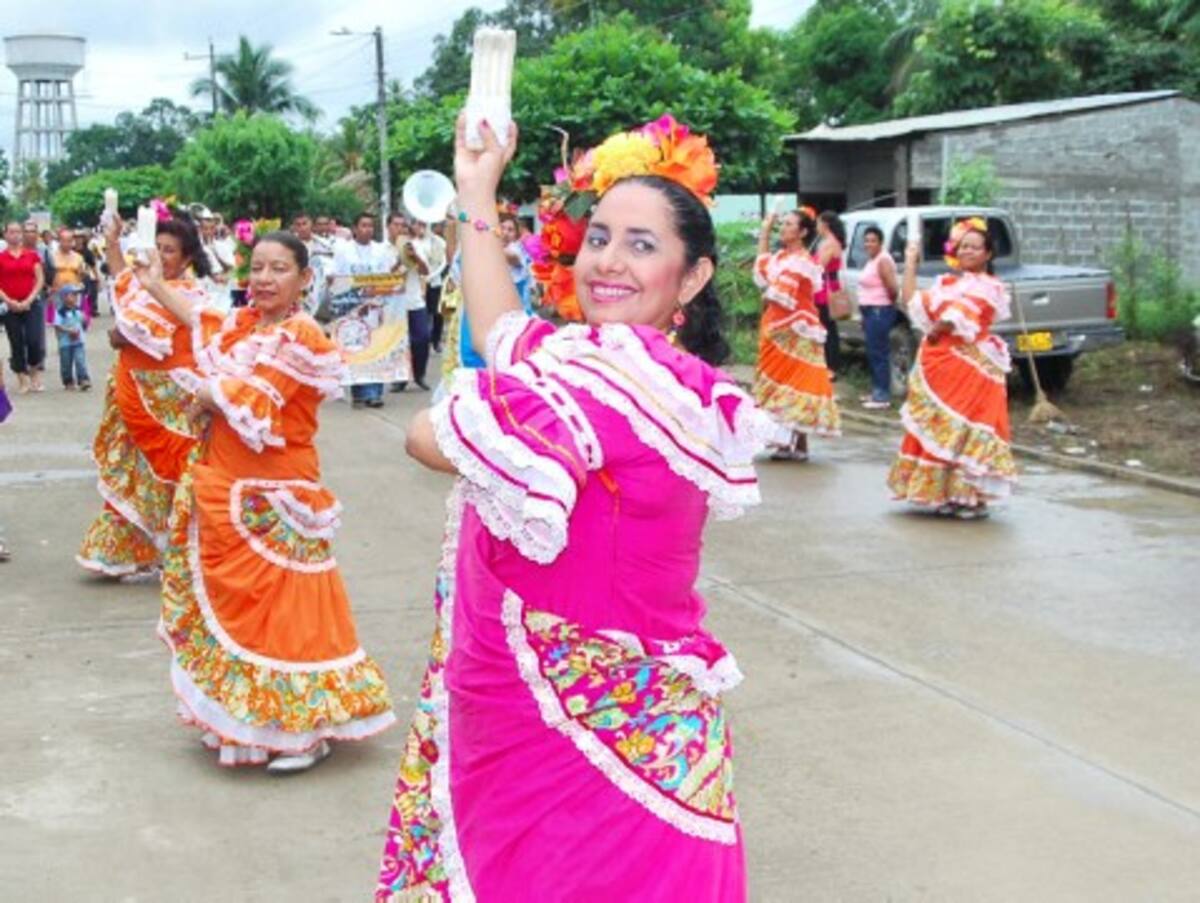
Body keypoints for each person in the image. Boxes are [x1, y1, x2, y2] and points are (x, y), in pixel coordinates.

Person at [376, 112, 769, 902]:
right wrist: (477, 189)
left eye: (642, 245)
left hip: (574, 729)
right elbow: (503, 329)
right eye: (599, 238)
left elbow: (433, 436)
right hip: (590, 716)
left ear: (692, 277)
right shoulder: (633, 367)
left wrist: (449, 420)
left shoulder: (610, 381)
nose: (609, 261)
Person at [142, 231, 394, 771]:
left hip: (275, 490)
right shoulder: (245, 325)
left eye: (278, 269)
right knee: (236, 611)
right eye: (256, 267)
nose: (263, 279)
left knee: (287, 612)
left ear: (305, 278)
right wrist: (154, 284)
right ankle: (248, 725)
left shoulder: (301, 337)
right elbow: (201, 321)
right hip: (225, 481)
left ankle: (306, 731)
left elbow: (247, 395)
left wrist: (201, 391)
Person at [76, 207, 213, 579]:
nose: (160, 255)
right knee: (133, 470)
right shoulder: (143, 286)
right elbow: (123, 279)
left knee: (178, 468)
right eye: (157, 247)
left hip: (171, 401)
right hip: (132, 392)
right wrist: (113, 239)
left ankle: (188, 548)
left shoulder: (189, 294)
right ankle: (122, 550)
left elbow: (134, 331)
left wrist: (123, 334)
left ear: (186, 258)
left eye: (169, 250)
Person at [887, 217, 1018, 519]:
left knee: (966, 428)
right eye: (963, 246)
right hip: (940, 367)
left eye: (974, 247)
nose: (967, 251)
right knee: (943, 429)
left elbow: (957, 317)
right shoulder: (947, 284)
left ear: (988, 254)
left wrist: (939, 327)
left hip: (971, 369)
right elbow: (911, 301)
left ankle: (972, 497)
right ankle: (950, 493)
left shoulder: (989, 286)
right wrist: (910, 262)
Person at [751, 208, 841, 461]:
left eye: (789, 224)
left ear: (802, 232)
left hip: (795, 330)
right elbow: (762, 268)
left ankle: (795, 444)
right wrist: (765, 231)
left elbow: (779, 294)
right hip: (775, 328)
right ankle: (790, 443)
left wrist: (770, 298)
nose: (784, 227)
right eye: (783, 224)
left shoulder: (802, 262)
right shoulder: (781, 258)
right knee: (781, 383)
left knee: (795, 384)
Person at [330, 212, 395, 408]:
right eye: (364, 225)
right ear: (355, 229)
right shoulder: (343, 250)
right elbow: (337, 277)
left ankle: (374, 393)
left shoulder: (381, 251)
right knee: (356, 349)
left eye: (370, 226)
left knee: (375, 349)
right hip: (351, 307)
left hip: (374, 306)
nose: (368, 229)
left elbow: (386, 277)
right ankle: (359, 392)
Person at [0, 221, 47, 393]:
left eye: (17, 232)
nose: (15, 235)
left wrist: (29, 300)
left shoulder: (31, 255)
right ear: (5, 235)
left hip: (31, 303)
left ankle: (34, 371)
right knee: (16, 341)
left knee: (34, 340)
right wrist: (8, 301)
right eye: (11, 232)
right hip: (9, 305)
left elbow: (40, 279)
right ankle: (22, 378)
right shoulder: (1, 257)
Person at [857, 225, 899, 409]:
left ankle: (882, 396)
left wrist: (885, 304)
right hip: (869, 311)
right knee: (873, 352)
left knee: (879, 353)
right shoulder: (872, 260)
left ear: (881, 243)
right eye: (866, 240)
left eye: (873, 240)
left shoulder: (883, 260)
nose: (869, 244)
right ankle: (876, 390)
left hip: (879, 310)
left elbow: (893, 288)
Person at [390, 215, 432, 391]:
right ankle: (400, 378)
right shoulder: (382, 249)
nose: (400, 229)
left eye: (403, 226)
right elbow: (383, 275)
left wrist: (415, 257)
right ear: (388, 227)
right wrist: (398, 262)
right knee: (397, 342)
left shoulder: (414, 246)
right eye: (396, 225)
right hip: (393, 302)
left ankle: (419, 374)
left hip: (414, 301)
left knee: (422, 338)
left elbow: (425, 271)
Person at [812, 210, 845, 376]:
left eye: (818, 223)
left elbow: (819, 266)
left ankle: (831, 366)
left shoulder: (829, 243)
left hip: (825, 288)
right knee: (828, 326)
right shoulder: (830, 242)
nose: (816, 226)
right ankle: (829, 364)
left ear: (824, 224)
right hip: (829, 285)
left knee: (826, 327)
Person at [416, 220, 448, 353]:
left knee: (437, 313)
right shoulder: (415, 242)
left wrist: (432, 276)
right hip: (418, 282)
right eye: (420, 225)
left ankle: (436, 340)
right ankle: (422, 341)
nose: (422, 228)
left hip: (435, 282)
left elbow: (444, 262)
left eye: (424, 225)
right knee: (421, 312)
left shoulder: (440, 242)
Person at [53, 283, 91, 390]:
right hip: (65, 342)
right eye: (72, 295)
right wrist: (67, 330)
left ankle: (83, 379)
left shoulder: (78, 310)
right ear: (64, 297)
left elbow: (83, 322)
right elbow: (57, 326)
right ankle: (68, 380)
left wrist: (84, 320)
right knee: (66, 362)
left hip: (78, 340)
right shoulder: (61, 312)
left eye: (76, 295)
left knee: (80, 360)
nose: (75, 297)